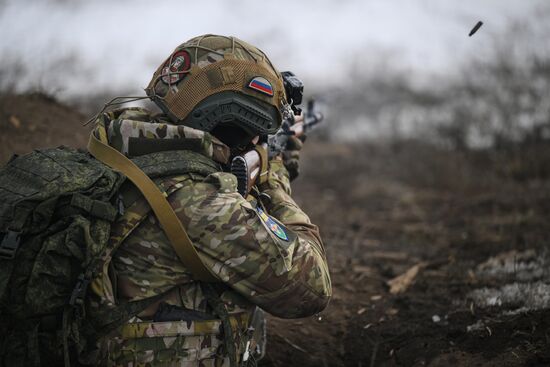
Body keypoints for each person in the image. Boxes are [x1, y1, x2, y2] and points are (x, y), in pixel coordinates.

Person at [86, 34, 332, 367]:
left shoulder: (127, 153)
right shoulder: (199, 200)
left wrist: (273, 161)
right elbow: (311, 288)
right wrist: (272, 181)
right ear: (244, 117)